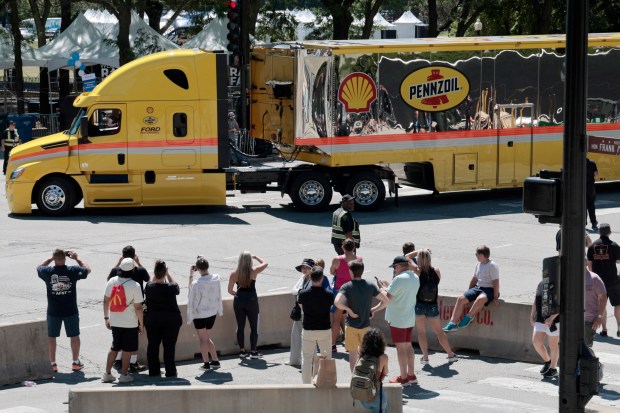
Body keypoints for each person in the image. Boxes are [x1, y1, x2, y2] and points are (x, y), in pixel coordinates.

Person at [37, 249, 91, 373]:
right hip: (70, 310)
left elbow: (39, 267)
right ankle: (75, 362)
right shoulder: (72, 270)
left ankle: (52, 364)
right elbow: (87, 269)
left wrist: (51, 258)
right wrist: (78, 258)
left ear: (55, 259)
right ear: (65, 259)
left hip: (53, 310)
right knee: (74, 335)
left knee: (51, 336)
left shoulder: (47, 272)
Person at [335, 259, 388, 371]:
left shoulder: (347, 286)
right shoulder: (370, 285)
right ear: (362, 271)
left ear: (350, 271)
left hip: (351, 326)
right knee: (366, 353)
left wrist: (348, 310)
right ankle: (365, 375)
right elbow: (386, 301)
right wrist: (373, 310)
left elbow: (337, 302)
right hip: (365, 326)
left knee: (353, 354)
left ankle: (354, 377)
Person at [107, 246, 150, 372]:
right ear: (134, 255)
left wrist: (118, 262)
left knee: (118, 340)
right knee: (133, 339)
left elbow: (108, 279)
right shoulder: (139, 270)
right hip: (133, 309)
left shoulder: (116, 272)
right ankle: (133, 363)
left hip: (118, 310)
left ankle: (118, 361)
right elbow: (147, 278)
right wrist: (138, 262)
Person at [102, 258, 144, 383]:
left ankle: (107, 373)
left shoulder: (112, 281)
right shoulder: (135, 285)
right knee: (127, 349)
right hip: (130, 322)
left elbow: (106, 300)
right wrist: (141, 324)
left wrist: (106, 318)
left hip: (115, 320)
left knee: (114, 347)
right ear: (132, 270)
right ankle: (124, 375)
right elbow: (138, 307)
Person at [380, 256, 419, 386]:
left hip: (398, 318)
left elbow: (388, 298)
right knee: (408, 346)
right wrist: (388, 286)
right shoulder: (415, 277)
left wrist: (381, 289)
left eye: (395, 268)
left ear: (398, 266)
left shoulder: (398, 279)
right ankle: (411, 374)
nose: (394, 270)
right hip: (409, 317)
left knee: (400, 348)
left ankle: (403, 377)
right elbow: (401, 292)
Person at [414, 250, 458, 366]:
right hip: (432, 305)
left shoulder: (418, 271)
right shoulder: (436, 271)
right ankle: (450, 354)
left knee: (421, 333)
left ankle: (425, 358)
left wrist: (418, 252)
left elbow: (407, 257)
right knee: (439, 332)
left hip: (419, 304)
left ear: (419, 259)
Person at [443, 245, 500, 332]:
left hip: (489, 289)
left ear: (481, 255)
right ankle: (452, 323)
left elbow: (496, 282)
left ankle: (468, 317)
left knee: (480, 299)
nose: (476, 256)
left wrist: (495, 297)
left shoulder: (492, 265)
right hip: (478, 288)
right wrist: (469, 292)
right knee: (461, 299)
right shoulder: (478, 264)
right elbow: (474, 279)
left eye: (476, 254)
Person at [144, 260, 182, 377]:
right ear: (165, 273)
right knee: (169, 347)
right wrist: (168, 273)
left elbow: (151, 281)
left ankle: (154, 370)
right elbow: (175, 284)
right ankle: (170, 371)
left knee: (153, 345)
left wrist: (158, 273)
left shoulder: (149, 287)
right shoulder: (171, 287)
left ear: (155, 273)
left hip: (153, 320)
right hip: (171, 321)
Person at [297, 266, 334, 384]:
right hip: (324, 329)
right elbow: (331, 308)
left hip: (308, 328)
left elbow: (301, 307)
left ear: (310, 278)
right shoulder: (329, 294)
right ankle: (325, 381)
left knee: (307, 358)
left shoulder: (303, 294)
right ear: (322, 278)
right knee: (326, 357)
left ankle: (306, 384)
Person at [228, 252, 268, 358]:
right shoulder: (253, 271)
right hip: (251, 300)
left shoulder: (234, 273)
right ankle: (253, 351)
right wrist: (256, 257)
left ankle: (242, 351)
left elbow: (230, 291)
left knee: (240, 326)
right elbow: (265, 263)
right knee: (254, 326)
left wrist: (238, 294)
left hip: (239, 300)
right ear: (250, 261)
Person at [188, 256, 223, 371]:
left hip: (200, 315)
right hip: (212, 313)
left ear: (198, 269)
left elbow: (192, 298)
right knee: (207, 338)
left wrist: (191, 275)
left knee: (203, 339)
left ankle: (206, 363)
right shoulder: (216, 278)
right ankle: (215, 360)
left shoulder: (197, 283)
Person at [587, 223, 620, 337]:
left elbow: (589, 264)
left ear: (599, 232)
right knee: (618, 304)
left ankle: (604, 329)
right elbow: (619, 261)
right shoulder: (614, 245)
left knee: (602, 305)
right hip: (613, 281)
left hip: (598, 282)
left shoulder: (592, 246)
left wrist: (593, 278)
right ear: (609, 232)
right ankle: (619, 326)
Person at [329, 238, 360, 352]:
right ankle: (350, 344)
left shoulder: (337, 259)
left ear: (342, 247)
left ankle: (332, 345)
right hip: (354, 291)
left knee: (336, 320)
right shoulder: (359, 259)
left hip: (339, 291)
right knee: (351, 319)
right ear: (354, 247)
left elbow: (332, 272)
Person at [530, 280, 559, 378]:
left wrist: (551, 318)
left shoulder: (559, 284)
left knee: (553, 345)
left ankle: (553, 368)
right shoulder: (541, 283)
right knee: (536, 342)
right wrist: (532, 314)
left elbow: (561, 304)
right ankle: (547, 361)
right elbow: (536, 300)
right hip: (540, 318)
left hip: (554, 320)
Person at [357, 328, 389, 413]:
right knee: (383, 406)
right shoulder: (383, 357)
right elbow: (384, 374)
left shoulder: (361, 354)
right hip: (377, 397)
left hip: (362, 396)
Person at [584, 266, 607, 350]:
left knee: (586, 348)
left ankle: (593, 362)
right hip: (574, 319)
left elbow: (603, 298)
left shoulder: (594, 278)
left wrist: (599, 317)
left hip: (589, 321)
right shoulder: (572, 277)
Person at [586, 158, 598, 230]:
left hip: (581, 187)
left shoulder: (578, 162)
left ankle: (583, 223)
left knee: (583, 206)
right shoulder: (592, 163)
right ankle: (593, 223)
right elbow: (596, 174)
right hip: (591, 187)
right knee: (591, 205)